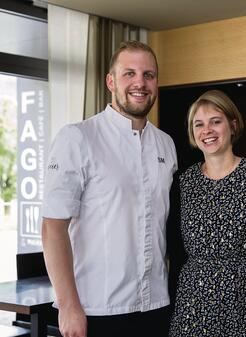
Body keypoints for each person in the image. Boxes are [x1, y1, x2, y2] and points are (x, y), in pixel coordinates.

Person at [41, 41, 177, 337]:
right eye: (129, 73)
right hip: (96, 309)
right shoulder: (77, 138)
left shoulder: (166, 144)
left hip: (156, 305)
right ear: (111, 81)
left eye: (148, 75)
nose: (140, 83)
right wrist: (68, 306)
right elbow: (53, 227)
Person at [168, 90, 246, 337]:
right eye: (199, 124)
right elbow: (176, 254)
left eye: (216, 121)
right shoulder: (181, 183)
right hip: (192, 307)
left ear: (233, 125)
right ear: (193, 133)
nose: (208, 130)